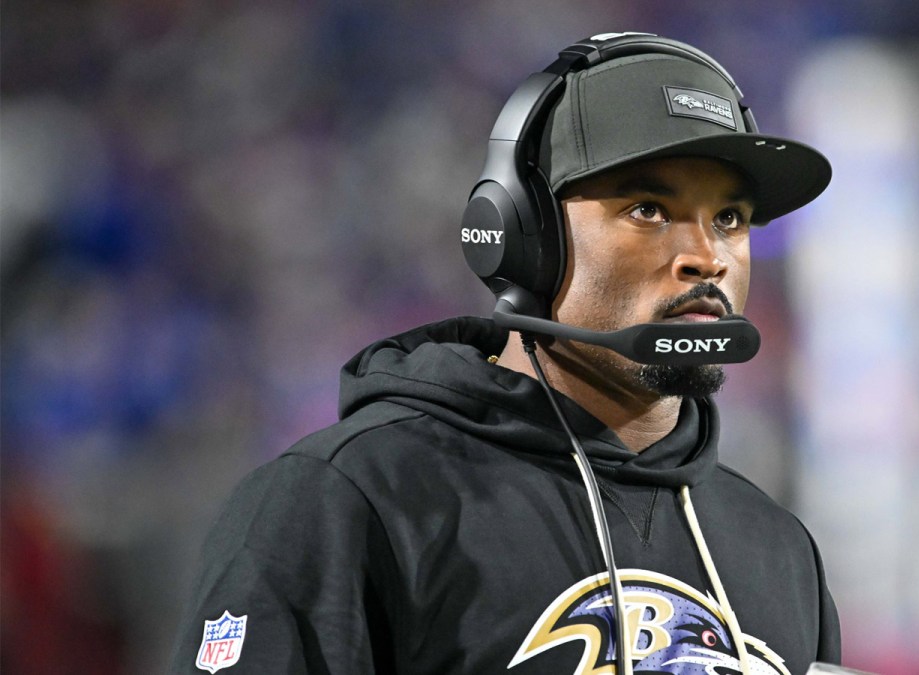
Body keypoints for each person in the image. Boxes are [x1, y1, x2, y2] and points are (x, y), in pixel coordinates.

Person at [171, 32, 840, 675]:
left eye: (730, 218)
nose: (707, 257)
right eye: (647, 208)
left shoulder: (779, 548)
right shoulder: (343, 500)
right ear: (521, 236)